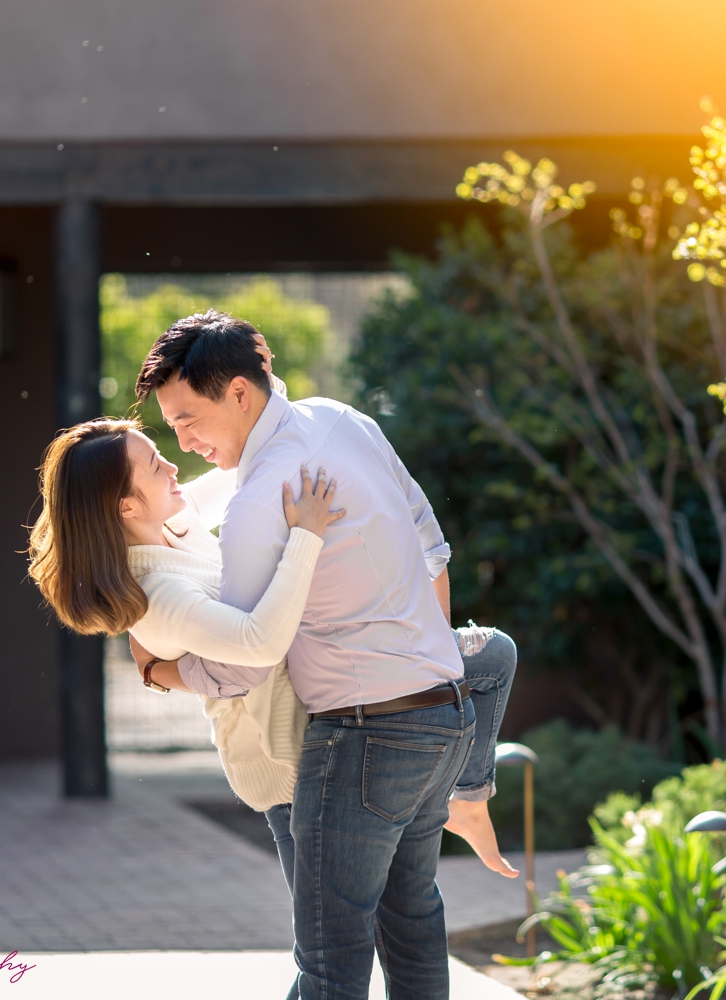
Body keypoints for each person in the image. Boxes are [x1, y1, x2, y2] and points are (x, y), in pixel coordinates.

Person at [128, 310, 504, 1000]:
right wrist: (418, 657)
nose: (184, 441)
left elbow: (245, 662)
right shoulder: (343, 419)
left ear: (239, 392)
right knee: (412, 920)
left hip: (364, 733)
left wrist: (162, 672)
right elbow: (433, 546)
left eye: (188, 420)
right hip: (443, 717)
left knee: (331, 961)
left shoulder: (261, 497)